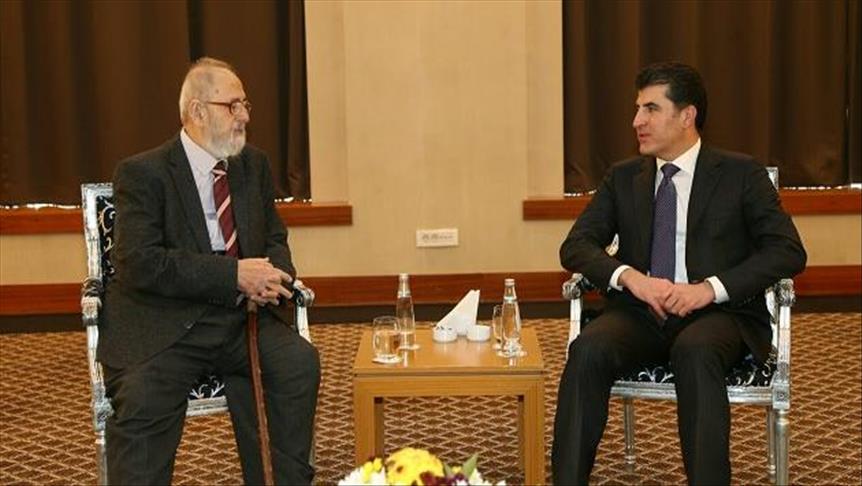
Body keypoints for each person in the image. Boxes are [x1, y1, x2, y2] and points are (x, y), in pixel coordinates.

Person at [552, 61, 806, 485]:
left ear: (687, 115)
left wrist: (709, 289)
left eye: (651, 109)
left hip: (718, 315)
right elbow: (576, 245)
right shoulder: (623, 177)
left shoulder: (741, 174)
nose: (637, 121)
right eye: (637, 109)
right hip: (640, 311)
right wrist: (631, 277)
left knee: (696, 350)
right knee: (588, 349)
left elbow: (788, 250)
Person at [100, 57, 320, 485]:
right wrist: (232, 275)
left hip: (242, 316)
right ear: (198, 111)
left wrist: (274, 277)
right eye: (232, 106)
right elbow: (139, 262)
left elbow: (274, 237)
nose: (244, 116)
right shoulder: (143, 173)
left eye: (245, 105)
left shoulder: (252, 165)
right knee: (143, 396)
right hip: (166, 322)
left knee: (298, 364)